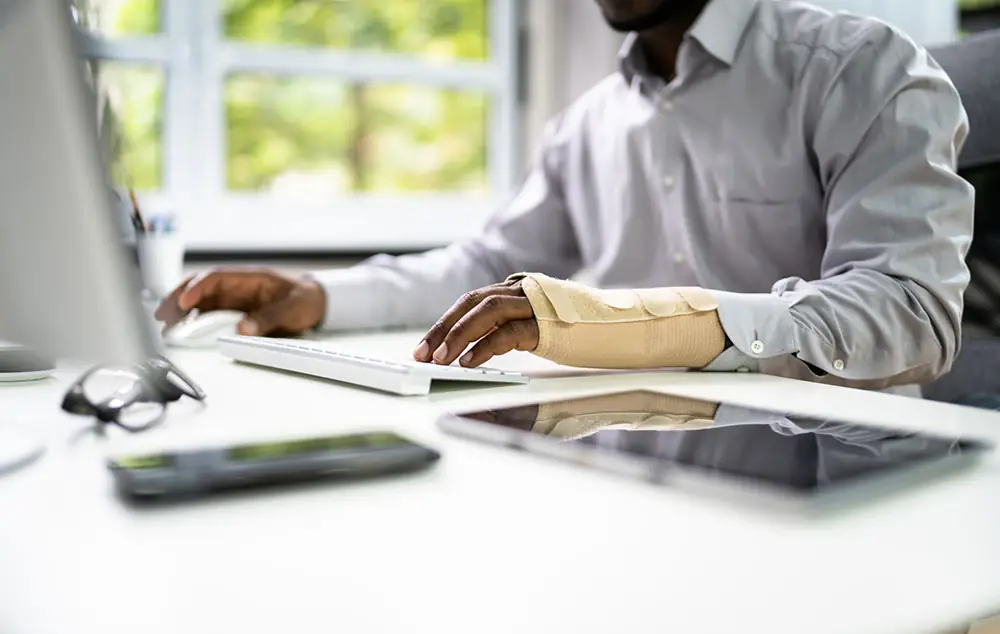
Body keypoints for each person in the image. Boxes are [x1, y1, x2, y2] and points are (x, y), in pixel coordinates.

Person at [156, 0, 974, 391]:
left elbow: (913, 309)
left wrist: (637, 325)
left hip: (834, 461)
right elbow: (488, 266)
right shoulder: (586, 124)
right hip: (631, 445)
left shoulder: (862, 71)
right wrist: (317, 293)